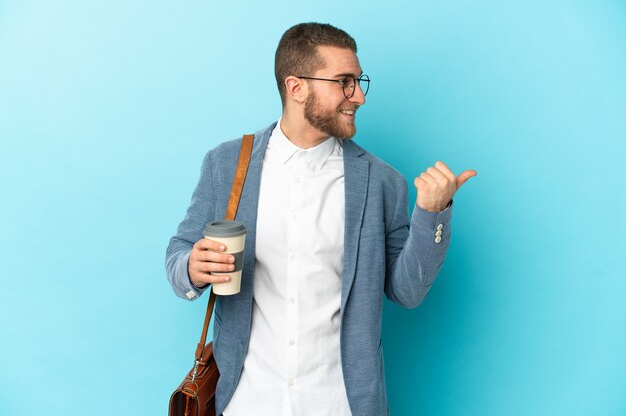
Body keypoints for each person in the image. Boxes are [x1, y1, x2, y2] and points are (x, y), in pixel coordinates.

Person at [166, 22, 476, 416]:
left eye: (359, 81)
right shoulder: (227, 164)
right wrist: (191, 267)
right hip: (246, 401)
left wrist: (432, 214)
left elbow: (407, 291)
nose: (359, 96)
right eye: (344, 82)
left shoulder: (382, 182)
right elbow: (179, 251)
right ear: (296, 88)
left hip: (340, 404)